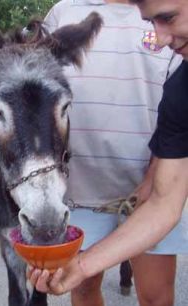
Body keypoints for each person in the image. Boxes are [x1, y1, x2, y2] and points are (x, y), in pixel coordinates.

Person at [28, 0, 188, 305]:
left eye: (168, 19)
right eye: (155, 23)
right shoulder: (64, 11)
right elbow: (33, 85)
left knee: (157, 297)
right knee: (84, 288)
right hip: (82, 190)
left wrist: (154, 176)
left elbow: (163, 200)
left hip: (151, 181)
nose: (162, 37)